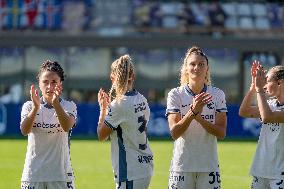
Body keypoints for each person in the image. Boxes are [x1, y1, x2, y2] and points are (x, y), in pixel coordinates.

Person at [166, 46, 227, 189]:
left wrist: (198, 117)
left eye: (201, 64)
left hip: (208, 166)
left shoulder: (218, 95)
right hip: (182, 166)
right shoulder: (175, 94)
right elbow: (175, 132)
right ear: (186, 68)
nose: (196, 68)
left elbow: (221, 133)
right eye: (192, 64)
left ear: (207, 69)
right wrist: (193, 112)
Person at [97, 54, 153, 189]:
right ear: (133, 76)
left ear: (112, 77)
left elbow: (101, 135)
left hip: (130, 171)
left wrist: (103, 109)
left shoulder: (119, 105)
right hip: (145, 165)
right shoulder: (141, 99)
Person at [20, 60, 77, 189]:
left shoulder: (69, 106)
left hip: (61, 176)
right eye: (45, 82)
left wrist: (56, 103)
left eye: (54, 82)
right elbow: (24, 130)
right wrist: (35, 108)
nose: (50, 87)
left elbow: (66, 126)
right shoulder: (29, 106)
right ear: (39, 83)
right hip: (33, 175)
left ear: (60, 84)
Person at [239, 61, 284, 189]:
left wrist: (259, 90)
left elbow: (267, 117)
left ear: (279, 82)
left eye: (267, 81)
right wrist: (253, 87)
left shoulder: (268, 107)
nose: (263, 85)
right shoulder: (270, 104)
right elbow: (244, 111)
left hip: (280, 173)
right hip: (261, 170)